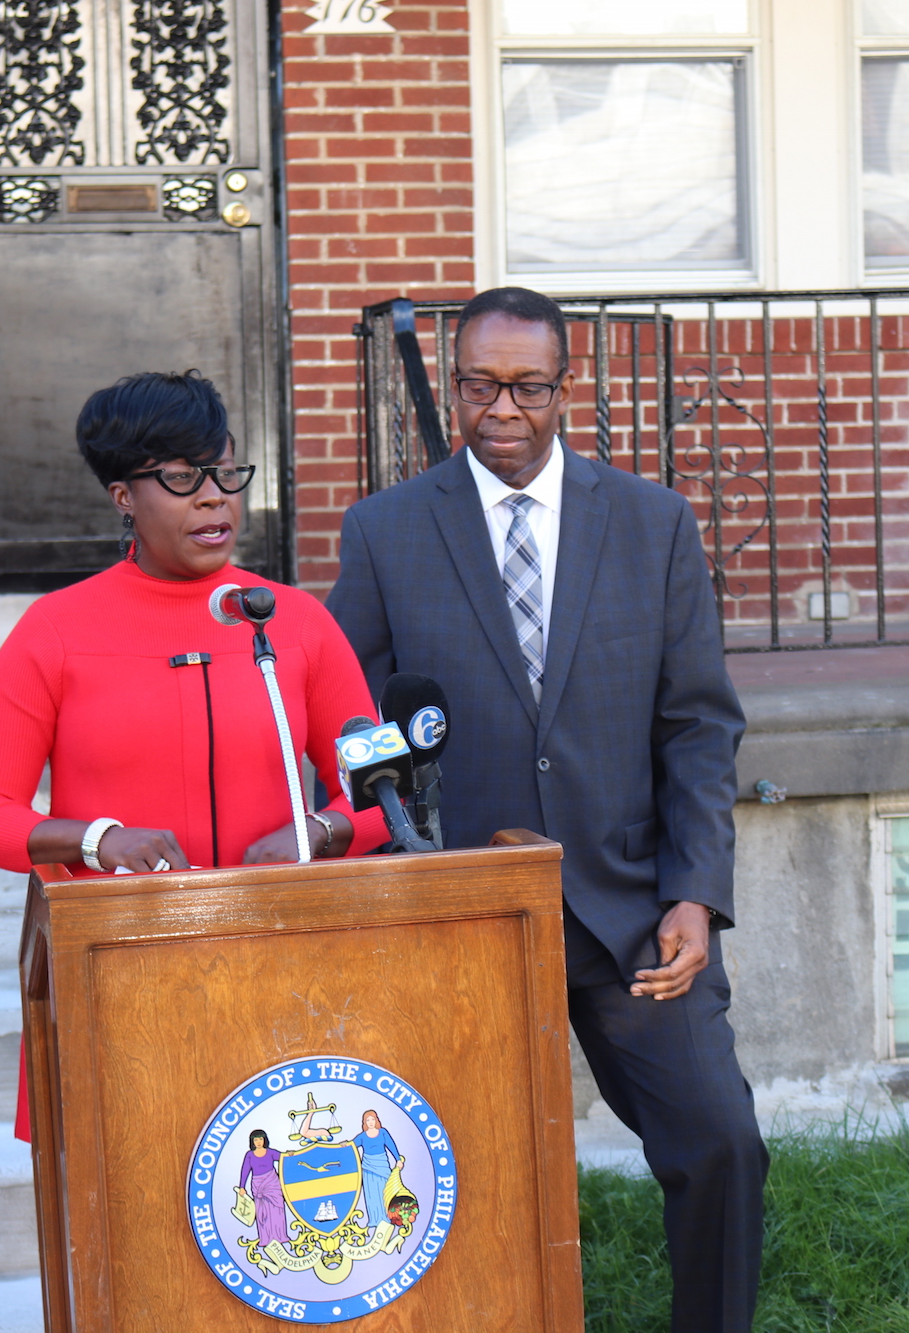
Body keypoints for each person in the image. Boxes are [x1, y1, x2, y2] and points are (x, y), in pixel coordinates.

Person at [326, 287, 766, 1332]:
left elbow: (696, 727)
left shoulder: (651, 523)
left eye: (526, 386)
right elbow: (351, 733)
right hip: (463, 912)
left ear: (567, 389)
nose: (498, 410)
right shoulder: (387, 531)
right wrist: (410, 839)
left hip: (628, 916)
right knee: (461, 1178)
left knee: (719, 1144)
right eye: (476, 384)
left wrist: (694, 896)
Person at [0, 370, 390, 1140]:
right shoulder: (53, 631)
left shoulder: (298, 622)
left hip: (284, 961)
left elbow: (388, 793)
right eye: (183, 479)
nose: (216, 497)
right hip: (120, 973)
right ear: (124, 495)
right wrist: (96, 839)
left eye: (226, 473)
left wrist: (320, 830)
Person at [237, 1129, 289, 1246]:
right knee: (262, 1213)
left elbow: (284, 1158)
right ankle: (265, 1238)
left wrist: (290, 1154)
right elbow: (245, 1170)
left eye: (260, 1139)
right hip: (258, 1185)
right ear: (252, 1142)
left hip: (272, 1183)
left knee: (276, 1210)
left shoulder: (270, 1152)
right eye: (256, 1140)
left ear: (264, 1140)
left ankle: (280, 1236)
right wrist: (242, 1186)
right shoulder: (249, 1155)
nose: (258, 1142)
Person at [352, 1110, 401, 1229]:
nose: (370, 1122)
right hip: (368, 1168)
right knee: (372, 1194)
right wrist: (343, 1145)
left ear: (376, 1120)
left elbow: (391, 1145)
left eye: (372, 1119)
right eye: (367, 1120)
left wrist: (398, 1159)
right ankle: (375, 1219)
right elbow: (352, 1145)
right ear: (364, 1122)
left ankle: (388, 1217)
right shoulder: (362, 1136)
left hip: (382, 1165)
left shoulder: (383, 1132)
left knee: (386, 1191)